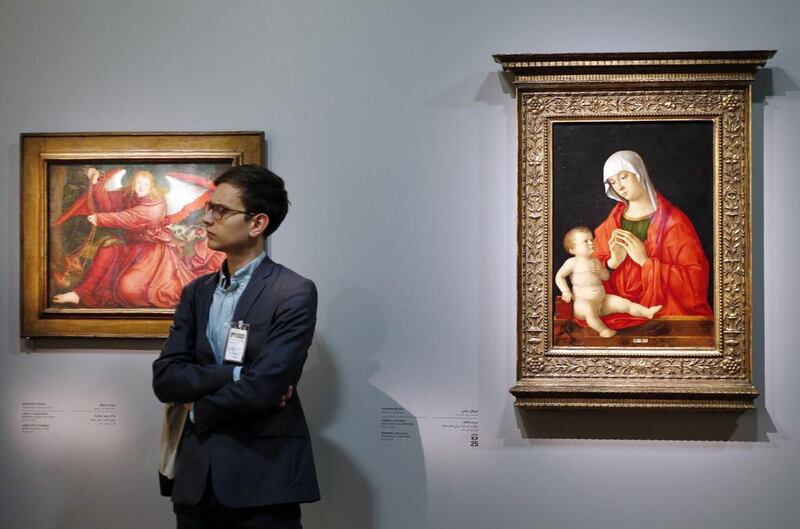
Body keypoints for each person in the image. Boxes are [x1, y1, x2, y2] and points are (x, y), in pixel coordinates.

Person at [152, 164, 319, 528]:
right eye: (209, 208)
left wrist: (197, 409)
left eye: (221, 211)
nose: (207, 219)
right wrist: (239, 374)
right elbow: (165, 379)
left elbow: (268, 386)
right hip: (195, 480)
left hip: (263, 478)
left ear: (257, 224)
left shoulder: (292, 292)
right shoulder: (195, 293)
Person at [590, 150, 713, 330]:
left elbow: (696, 281)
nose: (619, 187)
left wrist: (645, 262)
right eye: (613, 182)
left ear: (639, 173)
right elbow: (587, 271)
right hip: (620, 312)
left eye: (623, 177)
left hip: (665, 313)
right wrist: (611, 263)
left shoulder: (674, 223)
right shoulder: (612, 223)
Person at [52, 168, 195, 307]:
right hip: (132, 244)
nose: (141, 187)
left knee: (127, 289)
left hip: (152, 250)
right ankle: (80, 294)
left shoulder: (155, 204)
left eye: (146, 184)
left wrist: (101, 219)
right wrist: (96, 183)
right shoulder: (129, 194)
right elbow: (107, 203)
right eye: (138, 183)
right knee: (107, 248)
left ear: (152, 186)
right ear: (133, 183)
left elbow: (130, 217)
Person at [556, 226, 661, 337]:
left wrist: (600, 272)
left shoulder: (596, 260)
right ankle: (602, 330)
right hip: (582, 304)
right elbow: (559, 277)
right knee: (589, 311)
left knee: (624, 303)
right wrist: (565, 291)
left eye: (591, 240)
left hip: (602, 303)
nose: (591, 243)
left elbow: (606, 276)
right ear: (573, 250)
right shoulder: (572, 263)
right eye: (585, 241)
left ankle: (647, 312)